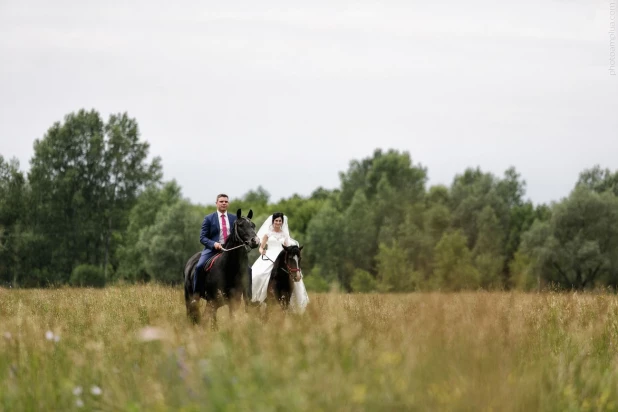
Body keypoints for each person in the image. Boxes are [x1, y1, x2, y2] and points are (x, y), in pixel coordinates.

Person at [251, 212, 309, 313]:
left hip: (282, 257)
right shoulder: (268, 234)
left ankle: (292, 301)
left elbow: (287, 247)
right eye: (276, 221)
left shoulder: (285, 234)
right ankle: (257, 297)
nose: (278, 222)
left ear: (282, 222)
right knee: (259, 274)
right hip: (269, 255)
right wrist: (262, 252)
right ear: (273, 222)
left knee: (294, 274)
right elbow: (261, 247)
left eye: (280, 221)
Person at [192, 194, 242, 302]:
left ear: (228, 204)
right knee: (199, 267)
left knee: (248, 269)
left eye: (226, 201)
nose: (224, 203)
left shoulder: (234, 219)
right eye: (221, 201)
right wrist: (214, 244)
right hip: (212, 250)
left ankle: (248, 299)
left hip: (230, 251)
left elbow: (238, 236)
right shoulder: (209, 218)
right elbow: (202, 238)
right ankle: (196, 294)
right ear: (216, 203)